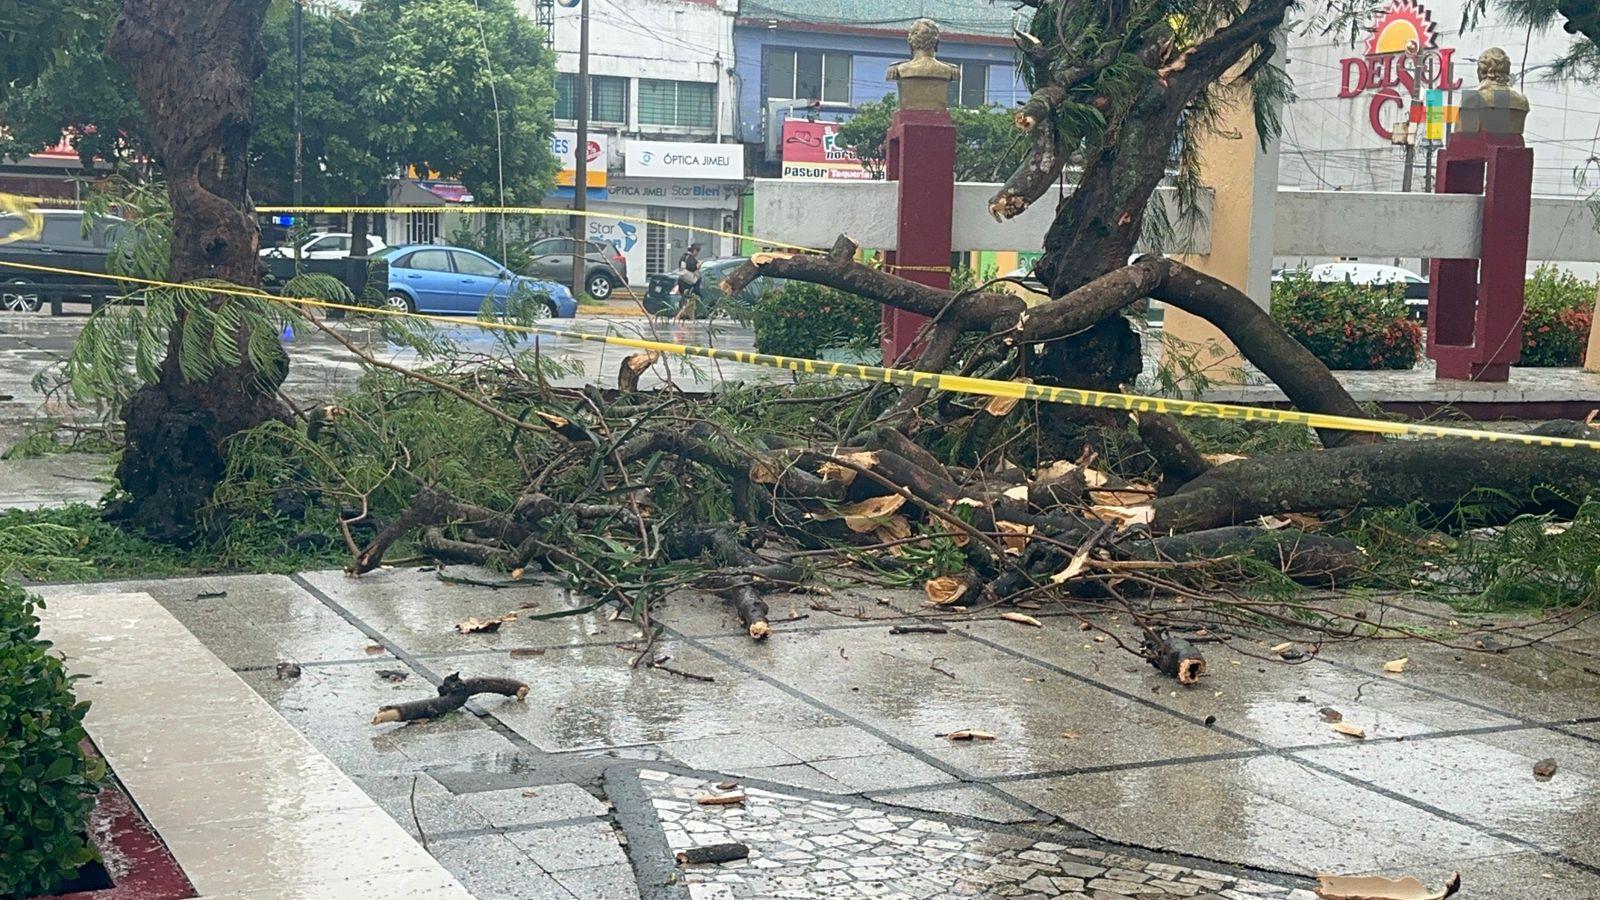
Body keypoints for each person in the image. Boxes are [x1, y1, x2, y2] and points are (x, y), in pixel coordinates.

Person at [675, 242, 702, 320]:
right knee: (690, 301)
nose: (697, 254)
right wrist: (698, 265)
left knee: (691, 302)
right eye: (697, 252)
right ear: (695, 251)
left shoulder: (683, 257)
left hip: (682, 282)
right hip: (689, 284)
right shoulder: (690, 258)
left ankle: (691, 317)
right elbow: (692, 267)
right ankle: (679, 316)